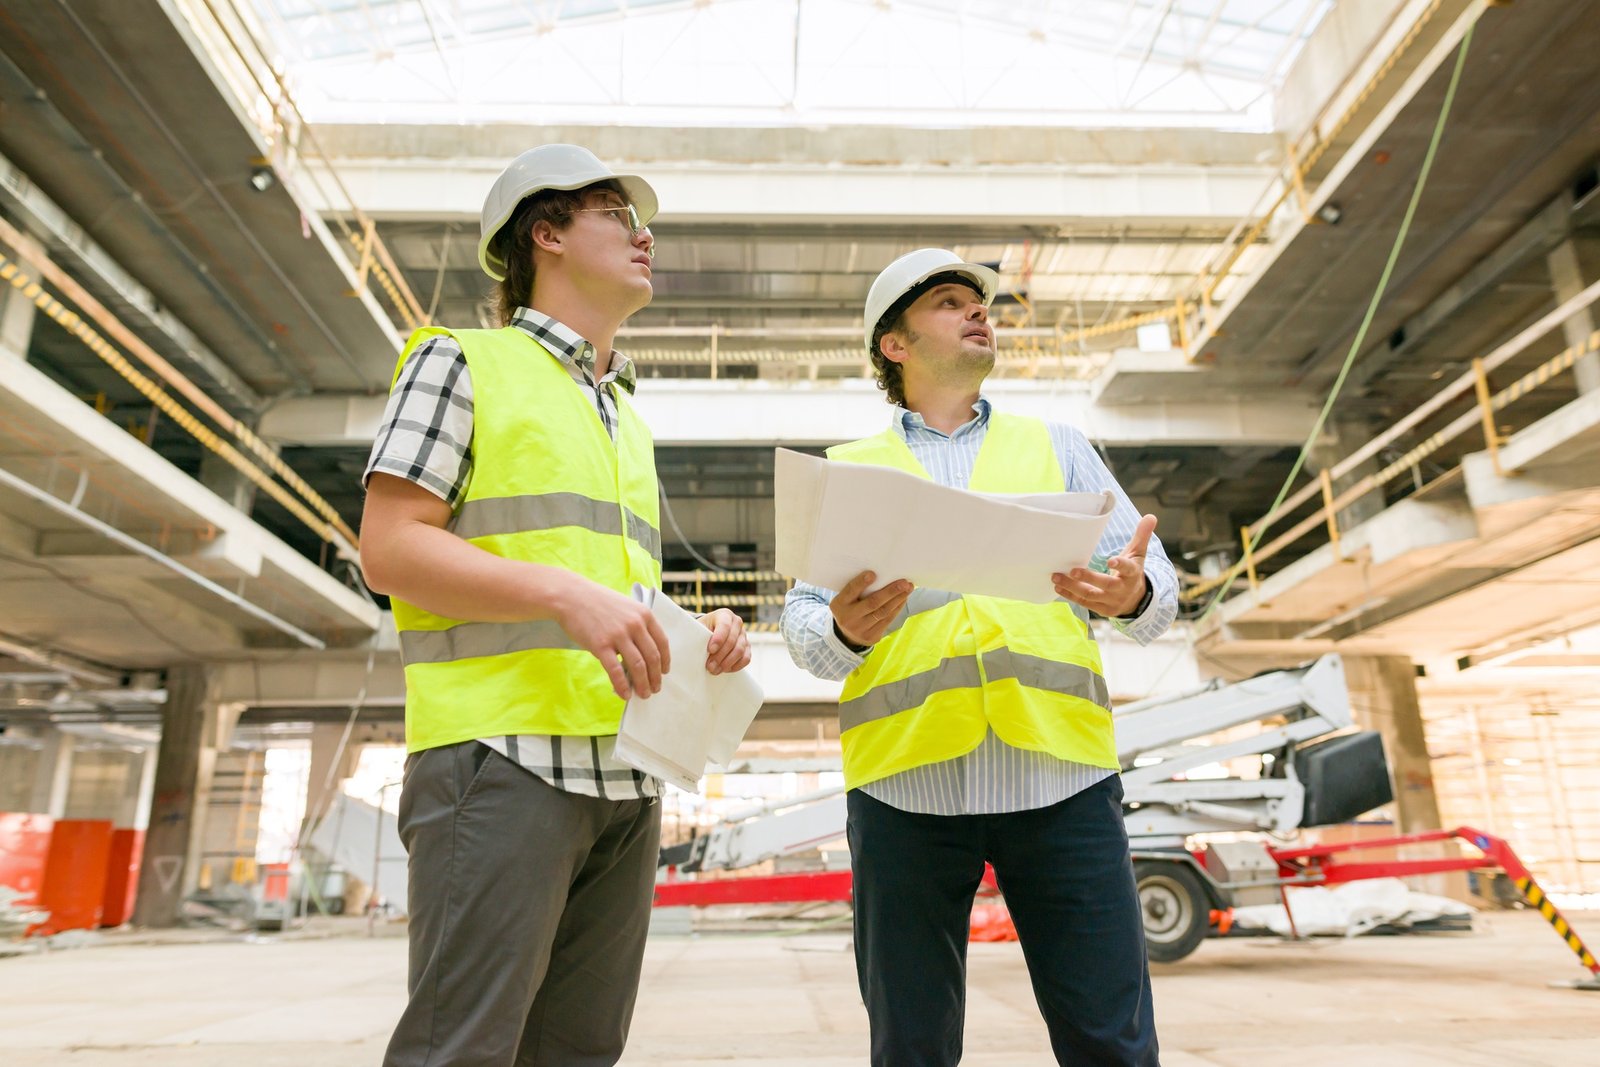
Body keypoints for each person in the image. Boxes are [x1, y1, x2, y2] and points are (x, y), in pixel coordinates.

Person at [360, 144, 751, 1067]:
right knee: (460, 1048)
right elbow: (391, 546)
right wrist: (565, 595)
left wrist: (699, 638)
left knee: (578, 1052)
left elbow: (612, 591)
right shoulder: (463, 363)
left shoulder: (624, 415)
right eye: (618, 214)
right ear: (546, 233)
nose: (644, 233)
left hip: (624, 770)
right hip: (501, 760)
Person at [780, 248, 1177, 1066]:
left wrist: (1130, 594)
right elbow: (805, 638)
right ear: (894, 344)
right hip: (905, 792)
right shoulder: (848, 472)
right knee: (912, 1047)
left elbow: (1157, 602)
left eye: (981, 302)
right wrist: (849, 630)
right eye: (952, 302)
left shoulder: (1059, 445)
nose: (979, 312)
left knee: (1111, 1042)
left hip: (1061, 777)